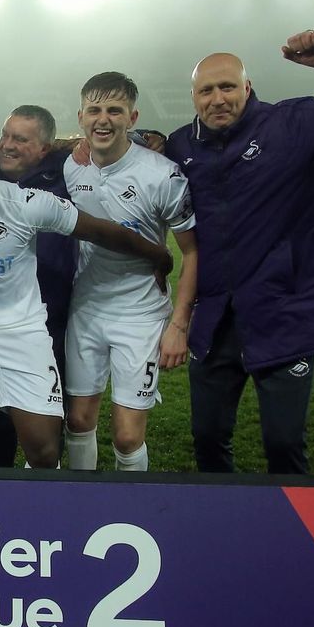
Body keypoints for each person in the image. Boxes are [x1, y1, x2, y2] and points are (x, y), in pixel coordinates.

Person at [166, 28, 314, 474]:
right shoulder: (181, 146)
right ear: (193, 96)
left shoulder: (297, 126)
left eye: (227, 86)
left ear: (248, 87)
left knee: (282, 445)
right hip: (216, 320)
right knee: (206, 441)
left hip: (287, 315)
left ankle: (289, 537)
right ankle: (221, 533)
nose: (217, 98)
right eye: (206, 90)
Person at [0, 114, 175, 469]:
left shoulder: (24, 203)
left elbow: (98, 230)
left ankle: (43, 522)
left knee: (42, 448)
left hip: (24, 332)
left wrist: (157, 254)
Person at [62, 73, 199, 472]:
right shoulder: (73, 166)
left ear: (133, 117)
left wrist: (180, 324)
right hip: (86, 309)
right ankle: (80, 504)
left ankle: (130, 510)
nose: (103, 120)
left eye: (114, 110)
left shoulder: (163, 175)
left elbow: (192, 252)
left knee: (126, 435)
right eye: (94, 110)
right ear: (81, 117)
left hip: (140, 316)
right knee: (78, 420)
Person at [0, 105, 78, 467]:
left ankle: (45, 499)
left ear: (45, 147)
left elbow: (113, 149)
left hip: (52, 318)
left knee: (46, 424)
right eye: (5, 135)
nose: (6, 145)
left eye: (20, 139)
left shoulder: (67, 176)